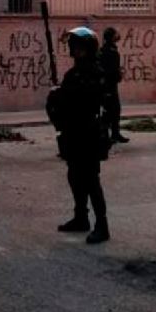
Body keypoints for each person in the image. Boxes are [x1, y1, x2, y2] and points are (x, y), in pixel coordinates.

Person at [47, 27, 111, 244]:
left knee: (91, 180)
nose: (74, 50)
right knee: (74, 176)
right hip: (73, 132)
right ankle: (80, 217)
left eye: (78, 47)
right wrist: (55, 98)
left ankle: (102, 225)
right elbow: (61, 106)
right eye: (73, 46)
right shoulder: (72, 74)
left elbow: (90, 102)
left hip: (89, 133)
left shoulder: (96, 73)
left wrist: (62, 96)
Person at [99, 27, 129, 144]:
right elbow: (110, 69)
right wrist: (118, 74)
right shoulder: (110, 51)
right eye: (116, 34)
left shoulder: (104, 50)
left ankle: (115, 134)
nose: (118, 36)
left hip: (109, 84)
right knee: (109, 111)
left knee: (115, 110)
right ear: (112, 37)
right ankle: (107, 136)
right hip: (109, 85)